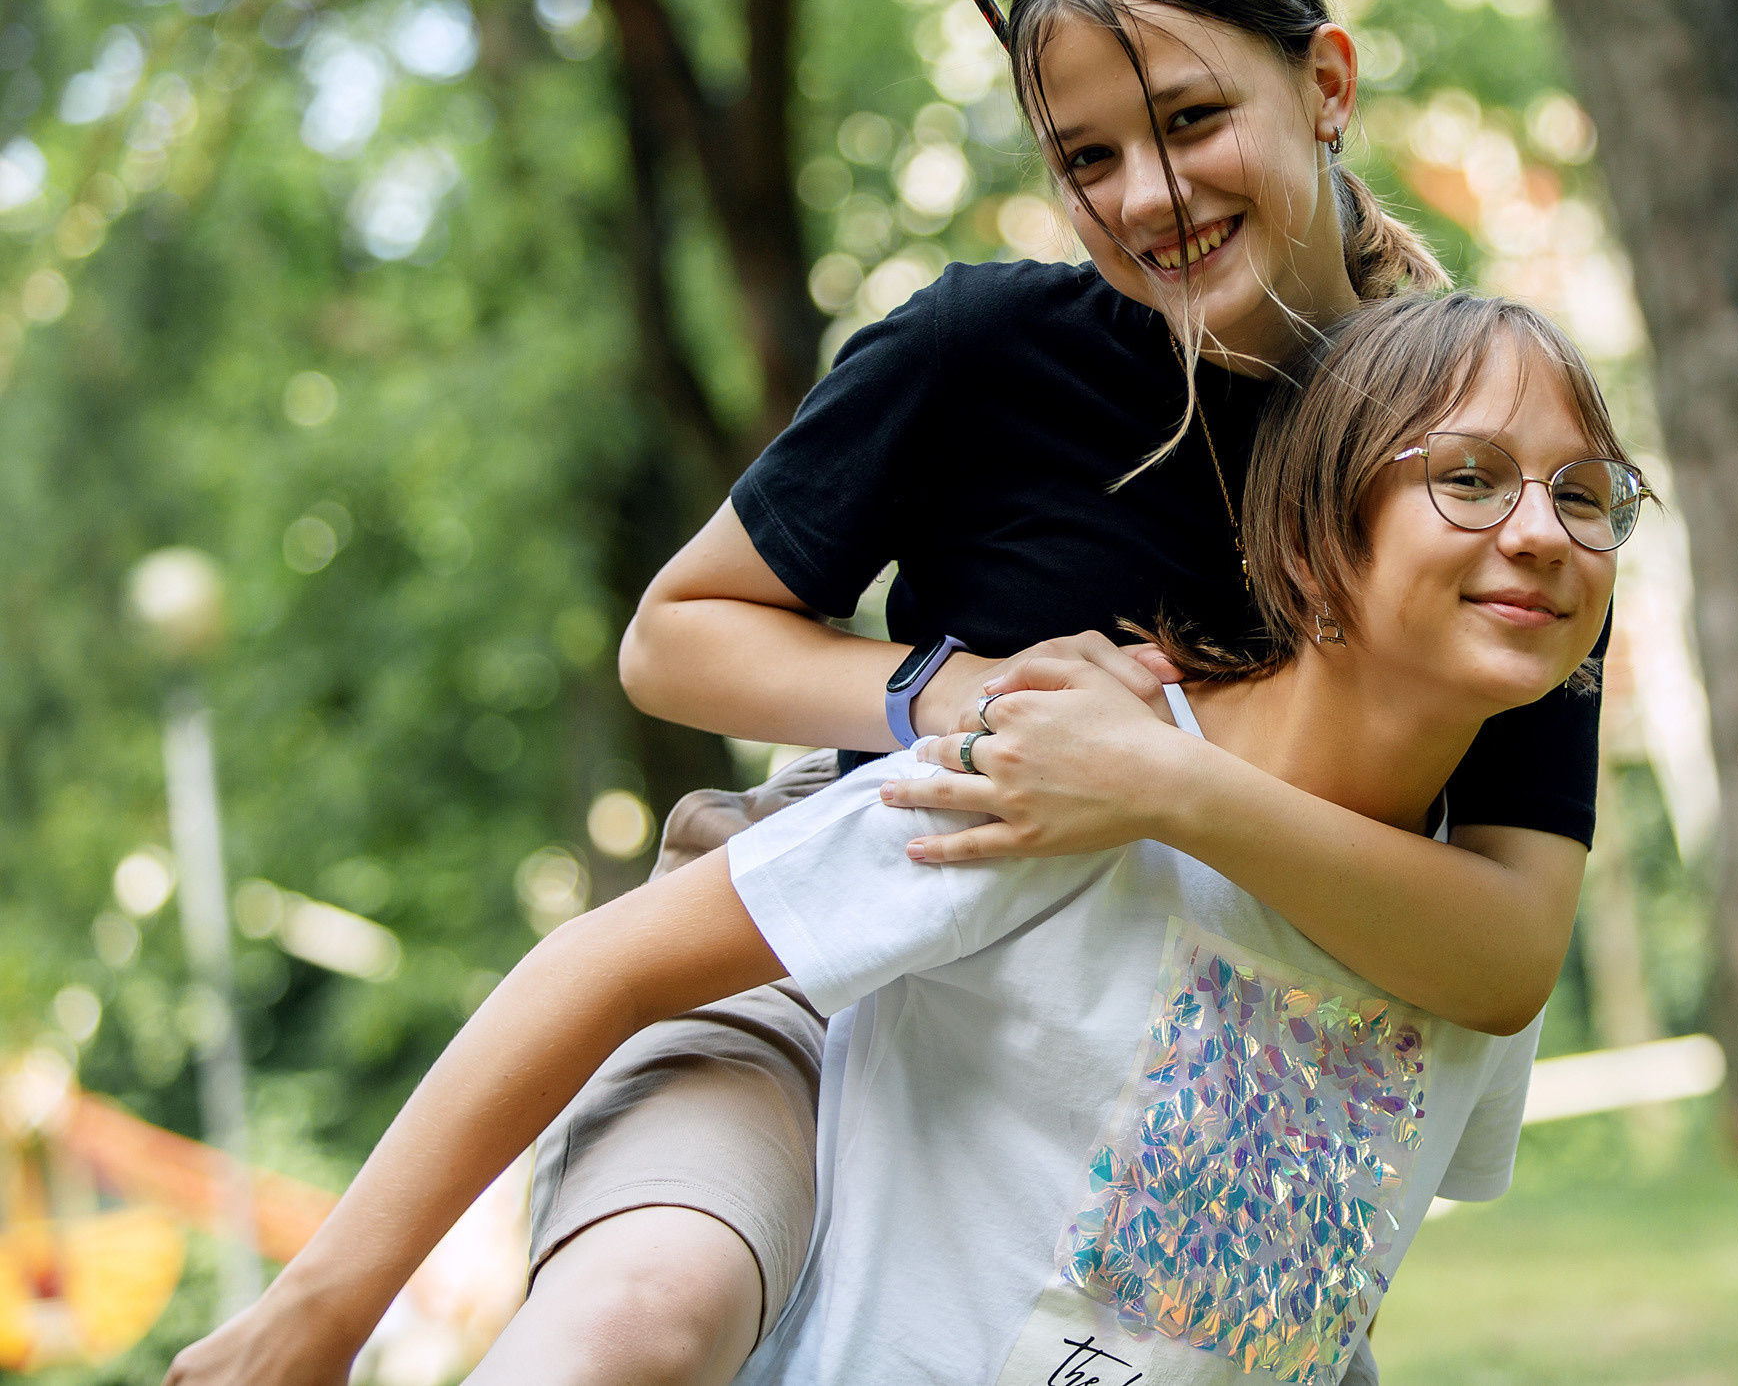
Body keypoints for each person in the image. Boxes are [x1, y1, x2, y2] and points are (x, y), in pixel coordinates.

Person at [447, 0, 1612, 1383]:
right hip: (836, 945)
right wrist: (959, 691)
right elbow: (679, 636)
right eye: (1087, 158)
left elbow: (1506, 940)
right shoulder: (984, 351)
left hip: (1187, 1043)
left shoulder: (1493, 465)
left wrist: (1171, 787)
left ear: (1325, 81)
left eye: (1192, 120)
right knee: (643, 1317)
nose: (1147, 195)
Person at [162, 290, 1649, 1386]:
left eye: (1587, 498)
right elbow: (606, 965)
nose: (1538, 531)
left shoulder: (1455, 938)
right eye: (1467, 477)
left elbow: (1300, 1322)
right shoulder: (1066, 773)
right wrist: (318, 1313)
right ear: (1323, 533)